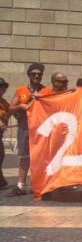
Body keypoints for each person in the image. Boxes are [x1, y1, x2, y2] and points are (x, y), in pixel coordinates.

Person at [8, 63, 47, 196]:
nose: (37, 76)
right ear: (29, 75)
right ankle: (20, 185)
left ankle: (38, 184)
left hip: (41, 129)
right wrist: (20, 106)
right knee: (25, 157)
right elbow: (10, 108)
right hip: (25, 128)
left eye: (39, 74)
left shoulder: (45, 90)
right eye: (33, 74)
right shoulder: (21, 90)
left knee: (40, 157)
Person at [0, 77, 9, 189]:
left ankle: (1, 182)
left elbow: (11, 110)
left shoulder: (3, 102)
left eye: (3, 87)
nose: (1, 89)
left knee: (1, 155)